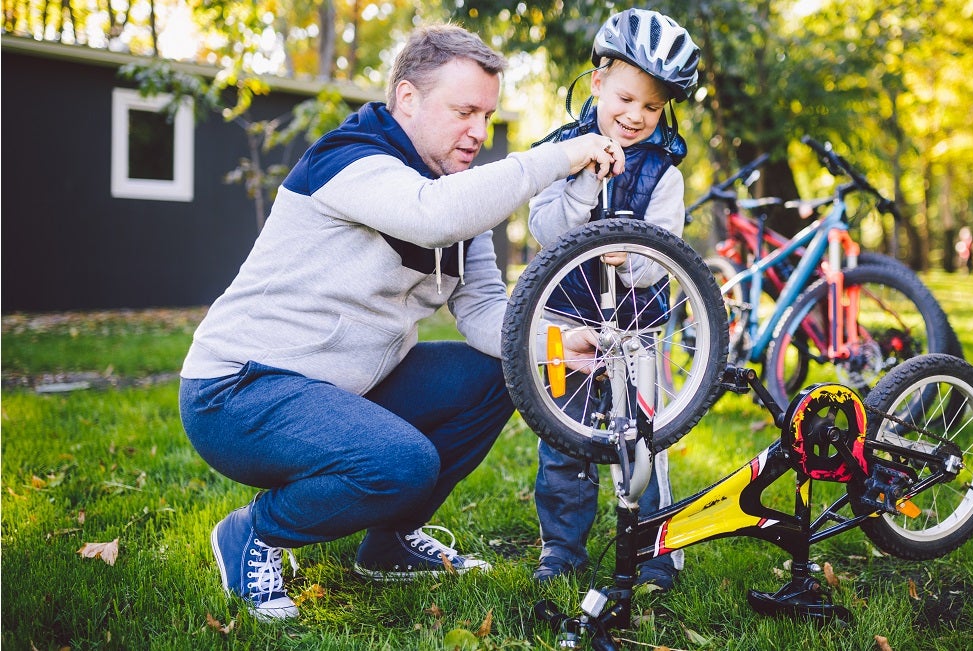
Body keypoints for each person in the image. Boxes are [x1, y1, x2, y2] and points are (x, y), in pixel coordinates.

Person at [179, 23, 624, 622]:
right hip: (238, 390)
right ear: (407, 98)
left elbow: (486, 310)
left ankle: (388, 543)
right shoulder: (350, 157)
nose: (479, 132)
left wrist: (550, 344)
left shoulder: (455, 190)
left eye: (487, 116)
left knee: (506, 369)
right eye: (464, 110)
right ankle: (254, 533)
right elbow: (431, 217)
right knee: (402, 462)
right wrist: (565, 153)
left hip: (340, 389)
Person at [525, 8, 701, 591]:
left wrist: (634, 258)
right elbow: (546, 230)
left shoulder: (663, 174)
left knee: (642, 441)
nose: (636, 116)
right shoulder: (560, 152)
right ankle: (563, 548)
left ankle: (655, 550)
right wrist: (584, 181)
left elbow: (663, 261)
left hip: (636, 329)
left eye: (652, 108)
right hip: (565, 318)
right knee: (564, 440)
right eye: (626, 98)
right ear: (598, 82)